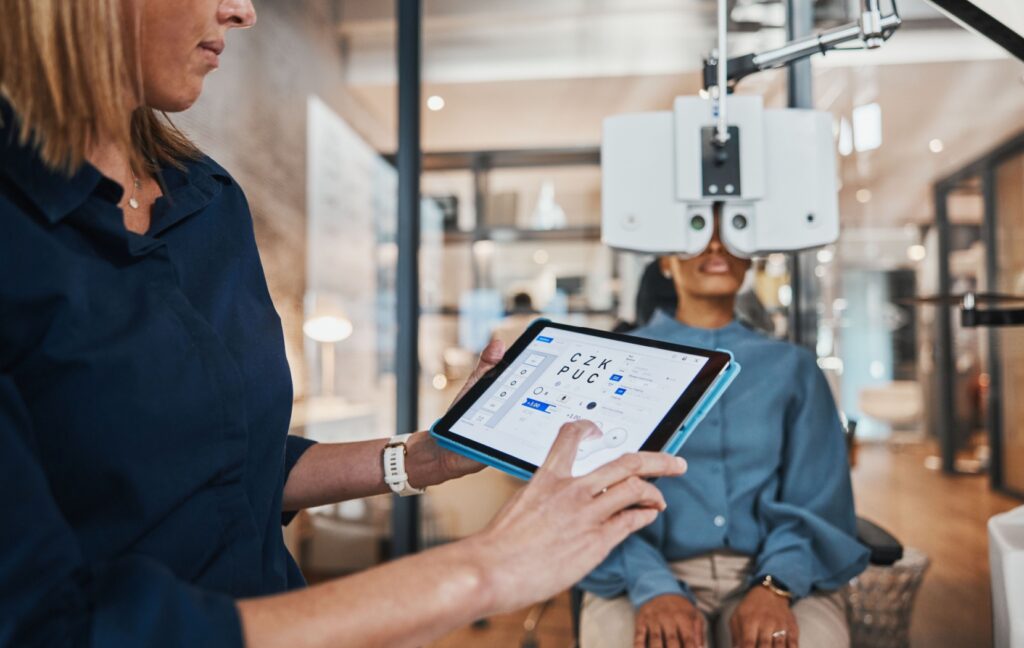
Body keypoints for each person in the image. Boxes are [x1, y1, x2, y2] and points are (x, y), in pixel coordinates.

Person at [0, 2, 686, 646]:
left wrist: (425, 455)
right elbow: (48, 626)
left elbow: (239, 463)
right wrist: (488, 569)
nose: (243, 11)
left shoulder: (205, 200)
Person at [579, 212, 869, 648]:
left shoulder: (793, 368)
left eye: (731, 232)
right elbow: (591, 499)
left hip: (774, 568)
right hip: (639, 570)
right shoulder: (618, 361)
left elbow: (819, 500)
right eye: (697, 229)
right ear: (665, 260)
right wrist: (652, 584)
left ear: (748, 255)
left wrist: (775, 585)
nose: (716, 246)